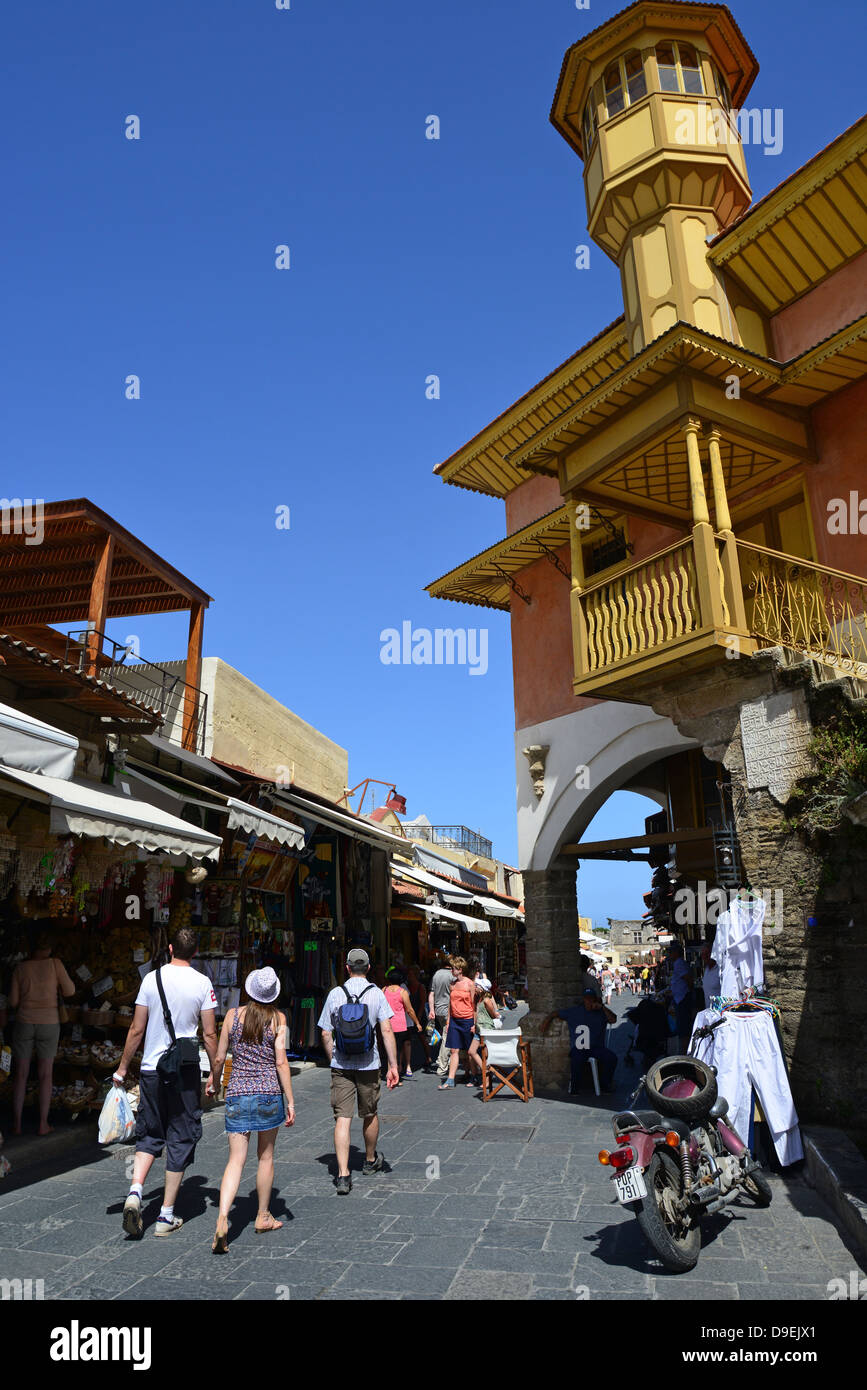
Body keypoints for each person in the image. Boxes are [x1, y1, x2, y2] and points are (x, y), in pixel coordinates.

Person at [115, 927, 218, 1238]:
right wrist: (215, 1071)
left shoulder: (151, 978)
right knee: (182, 1134)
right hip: (185, 1070)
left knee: (150, 1133)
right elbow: (210, 1034)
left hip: (151, 1070)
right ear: (195, 952)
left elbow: (136, 1029)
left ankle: (135, 1193)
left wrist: (121, 1069)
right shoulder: (203, 983)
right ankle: (166, 1215)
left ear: (171, 948)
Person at [207, 967, 296, 1252]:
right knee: (266, 1157)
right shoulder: (278, 1019)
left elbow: (220, 1056)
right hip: (268, 1094)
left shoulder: (232, 1016)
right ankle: (263, 1215)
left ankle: (223, 1219)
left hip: (237, 1093)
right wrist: (290, 1100)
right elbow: (281, 1062)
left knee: (235, 1160)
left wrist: (214, 1081)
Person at [317, 948, 399, 1195]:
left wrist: (334, 1058)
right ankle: (370, 1159)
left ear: (347, 967)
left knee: (343, 1118)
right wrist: (393, 1066)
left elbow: (324, 1032)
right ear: (369, 968)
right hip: (369, 1064)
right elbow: (386, 1031)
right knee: (370, 1113)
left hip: (341, 1065)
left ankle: (342, 1175)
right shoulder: (376, 994)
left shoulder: (334, 994)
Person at [8, 930, 76, 1136]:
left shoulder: (21, 968)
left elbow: (12, 1002)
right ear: (50, 947)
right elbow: (70, 990)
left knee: (20, 1074)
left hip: (25, 1022)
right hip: (49, 1023)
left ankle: (17, 1124)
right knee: (46, 1074)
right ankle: (43, 1124)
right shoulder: (55, 964)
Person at [540, 988, 618, 1094]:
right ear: (583, 1000)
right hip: (579, 1047)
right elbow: (555, 1013)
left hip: (596, 1047)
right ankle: (575, 1088)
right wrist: (546, 1022)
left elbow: (613, 1019)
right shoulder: (575, 1011)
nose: (589, 1001)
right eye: (587, 999)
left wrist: (603, 1007)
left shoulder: (601, 1012)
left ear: (595, 1000)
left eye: (591, 999)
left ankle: (605, 1084)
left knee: (611, 1058)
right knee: (576, 1058)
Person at [438, 956, 481, 1090]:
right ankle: (450, 1080)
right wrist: (449, 1020)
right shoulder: (452, 984)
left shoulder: (470, 984)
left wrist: (475, 1023)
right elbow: (450, 1004)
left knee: (469, 1051)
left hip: (467, 1020)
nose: (451, 970)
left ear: (460, 970)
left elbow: (475, 1006)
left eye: (453, 968)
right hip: (455, 1021)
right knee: (454, 1050)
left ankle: (475, 1076)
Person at [383, 967, 423, 1081]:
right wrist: (417, 1023)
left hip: (386, 1024)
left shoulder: (384, 990)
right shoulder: (403, 992)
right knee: (398, 1051)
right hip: (399, 1026)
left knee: (389, 1050)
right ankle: (397, 1075)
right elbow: (410, 1010)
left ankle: (389, 1072)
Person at [428, 955, 457, 1079]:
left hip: (438, 1009)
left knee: (446, 1035)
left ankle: (446, 1061)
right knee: (447, 1037)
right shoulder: (452, 975)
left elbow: (431, 994)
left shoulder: (436, 974)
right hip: (449, 1010)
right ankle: (442, 1064)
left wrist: (431, 1010)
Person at [405, 966, 434, 1072]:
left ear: (415, 975)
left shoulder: (420, 987)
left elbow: (422, 1002)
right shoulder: (406, 987)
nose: (409, 977)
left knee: (423, 1038)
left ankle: (428, 1057)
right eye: (408, 974)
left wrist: (419, 1016)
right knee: (407, 1038)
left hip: (419, 1015)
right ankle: (406, 1061)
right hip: (409, 1015)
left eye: (411, 975)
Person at [468, 986, 500, 1080]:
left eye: (476, 986)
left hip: (486, 1029)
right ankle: (486, 1071)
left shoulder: (486, 1000)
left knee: (485, 1055)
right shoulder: (479, 999)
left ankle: (487, 1079)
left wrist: (495, 1014)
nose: (474, 988)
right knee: (471, 1051)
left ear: (481, 988)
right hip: (479, 1030)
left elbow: (493, 1015)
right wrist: (474, 1025)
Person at [667, 943, 695, 1050]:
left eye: (671, 952)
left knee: (683, 1027)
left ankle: (684, 1050)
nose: (669, 954)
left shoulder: (679, 963)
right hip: (680, 998)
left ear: (676, 953)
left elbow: (688, 979)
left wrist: (689, 992)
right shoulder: (677, 963)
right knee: (682, 1026)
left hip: (682, 999)